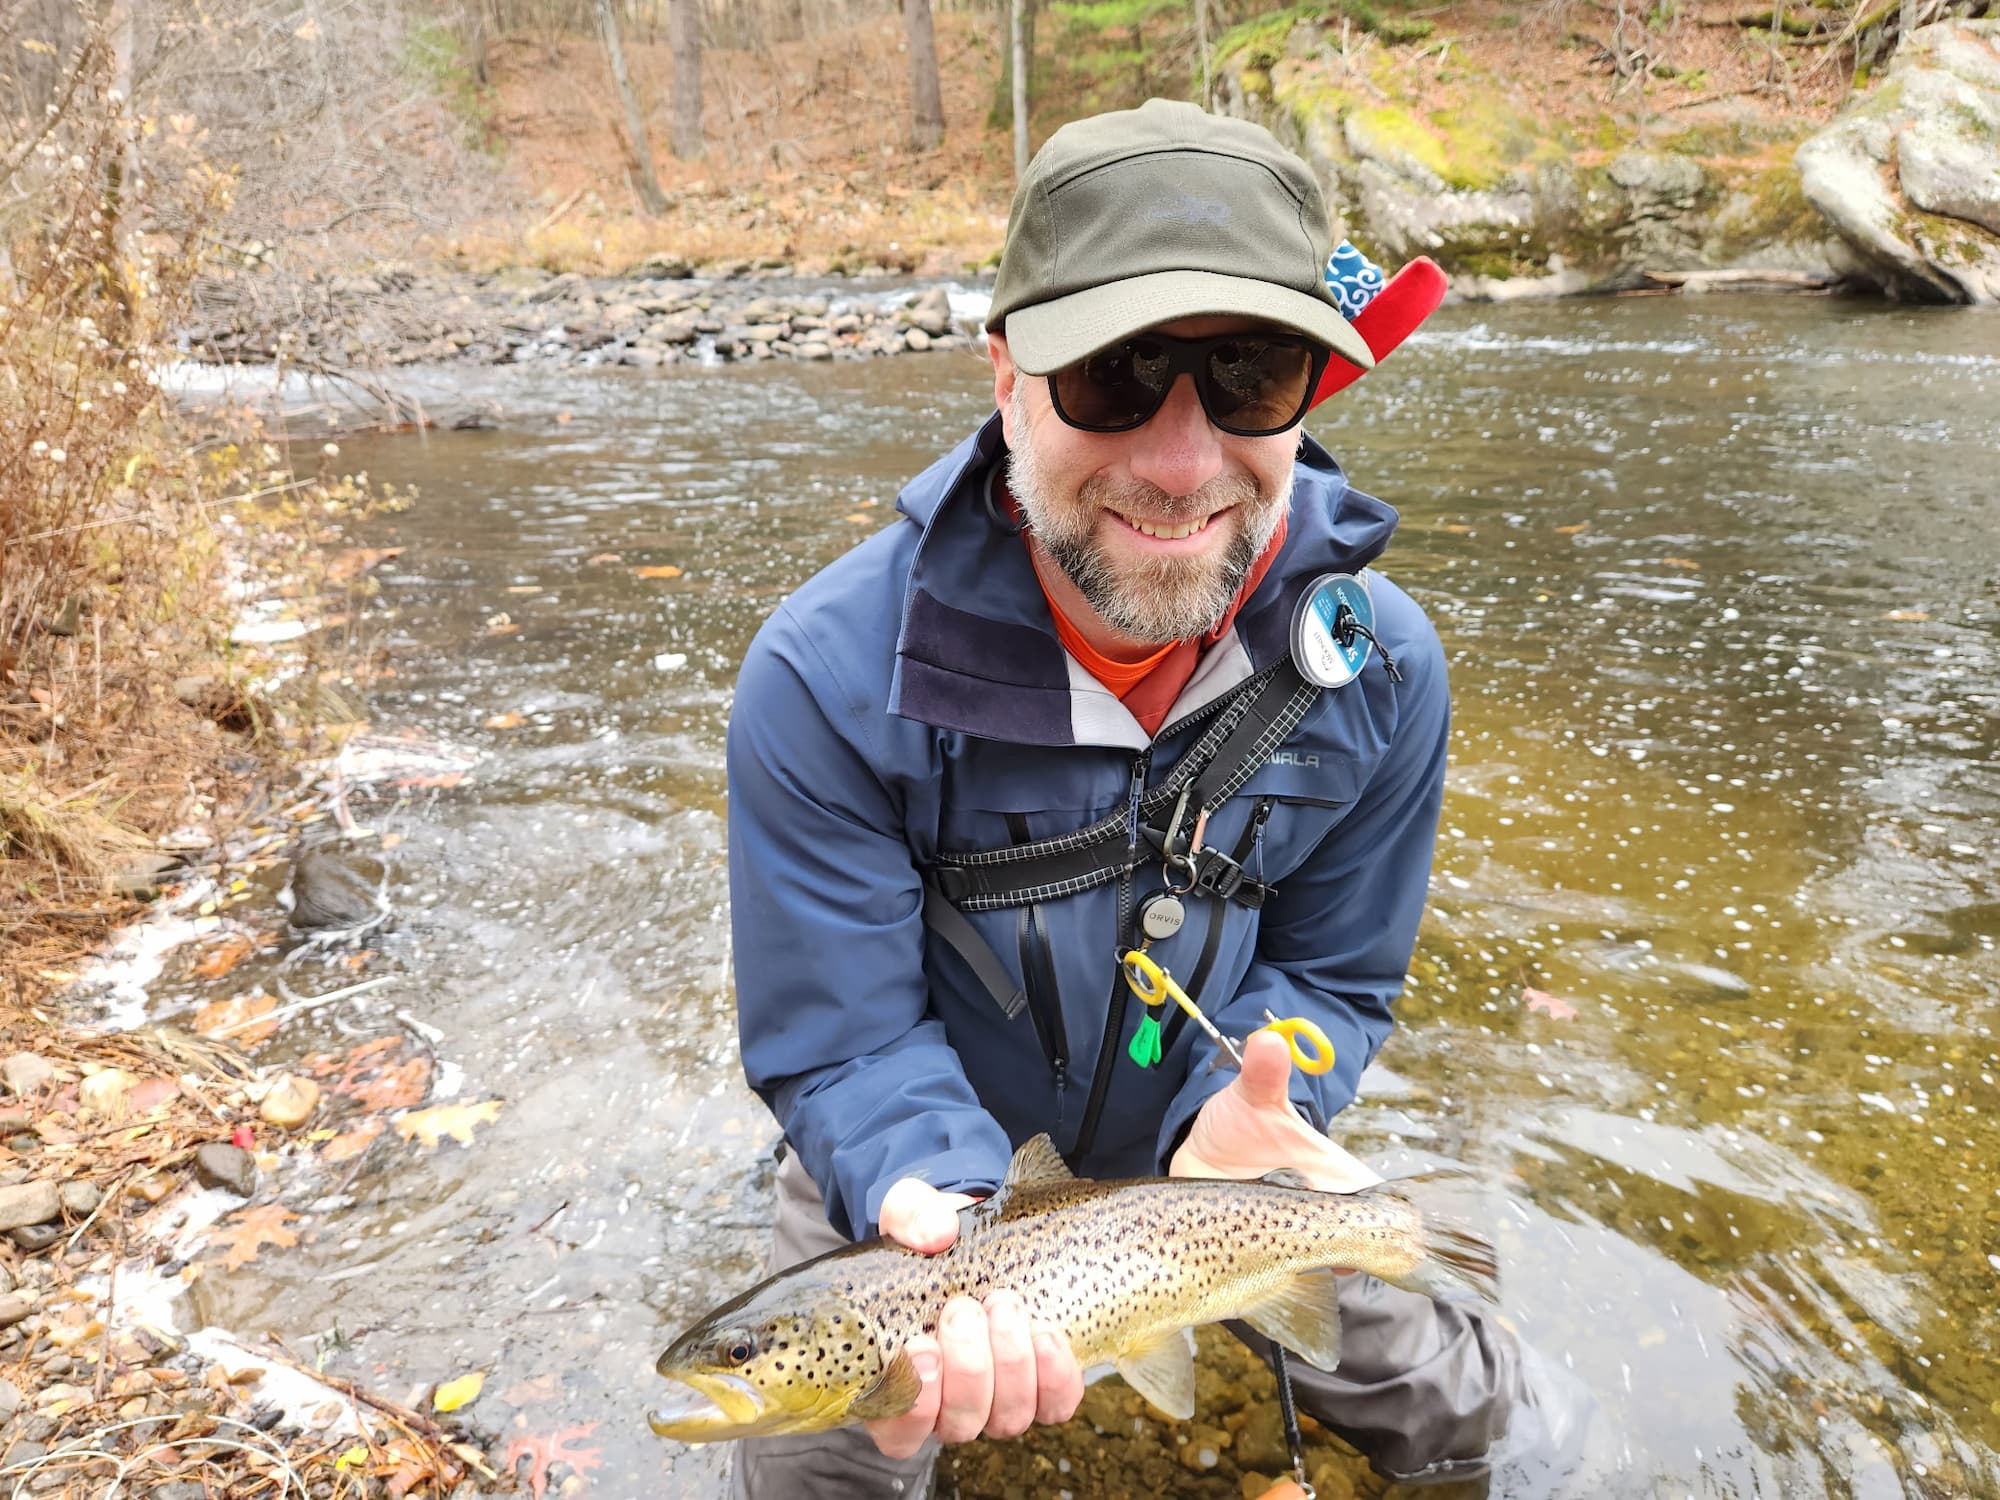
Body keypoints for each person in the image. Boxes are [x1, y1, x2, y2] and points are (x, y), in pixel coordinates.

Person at [724, 98, 1565, 1498]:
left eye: (1248, 378)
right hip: (937, 1199)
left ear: (1315, 388)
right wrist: (946, 1203)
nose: (1181, 464)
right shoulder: (823, 679)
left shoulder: (1383, 670)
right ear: (1006, 376)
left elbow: (1337, 979)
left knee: (1476, 1420)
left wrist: (1234, 1106)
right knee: (812, 1467)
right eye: (1113, 377)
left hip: (1226, 1167)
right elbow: (845, 1041)